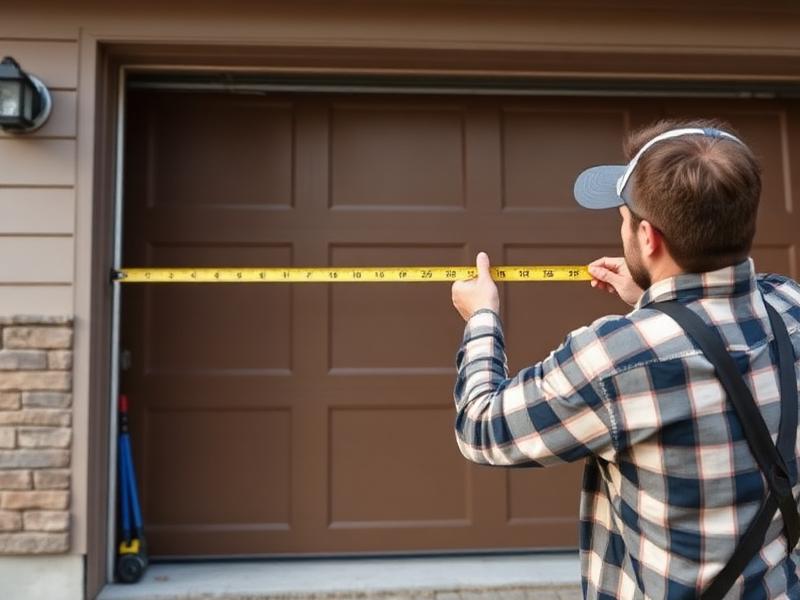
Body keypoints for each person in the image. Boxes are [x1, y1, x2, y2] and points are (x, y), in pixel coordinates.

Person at [450, 119, 800, 599]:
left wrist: (481, 318)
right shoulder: (790, 307)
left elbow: (482, 427)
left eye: (622, 218)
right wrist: (651, 300)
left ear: (648, 238)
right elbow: (710, 349)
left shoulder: (616, 357)